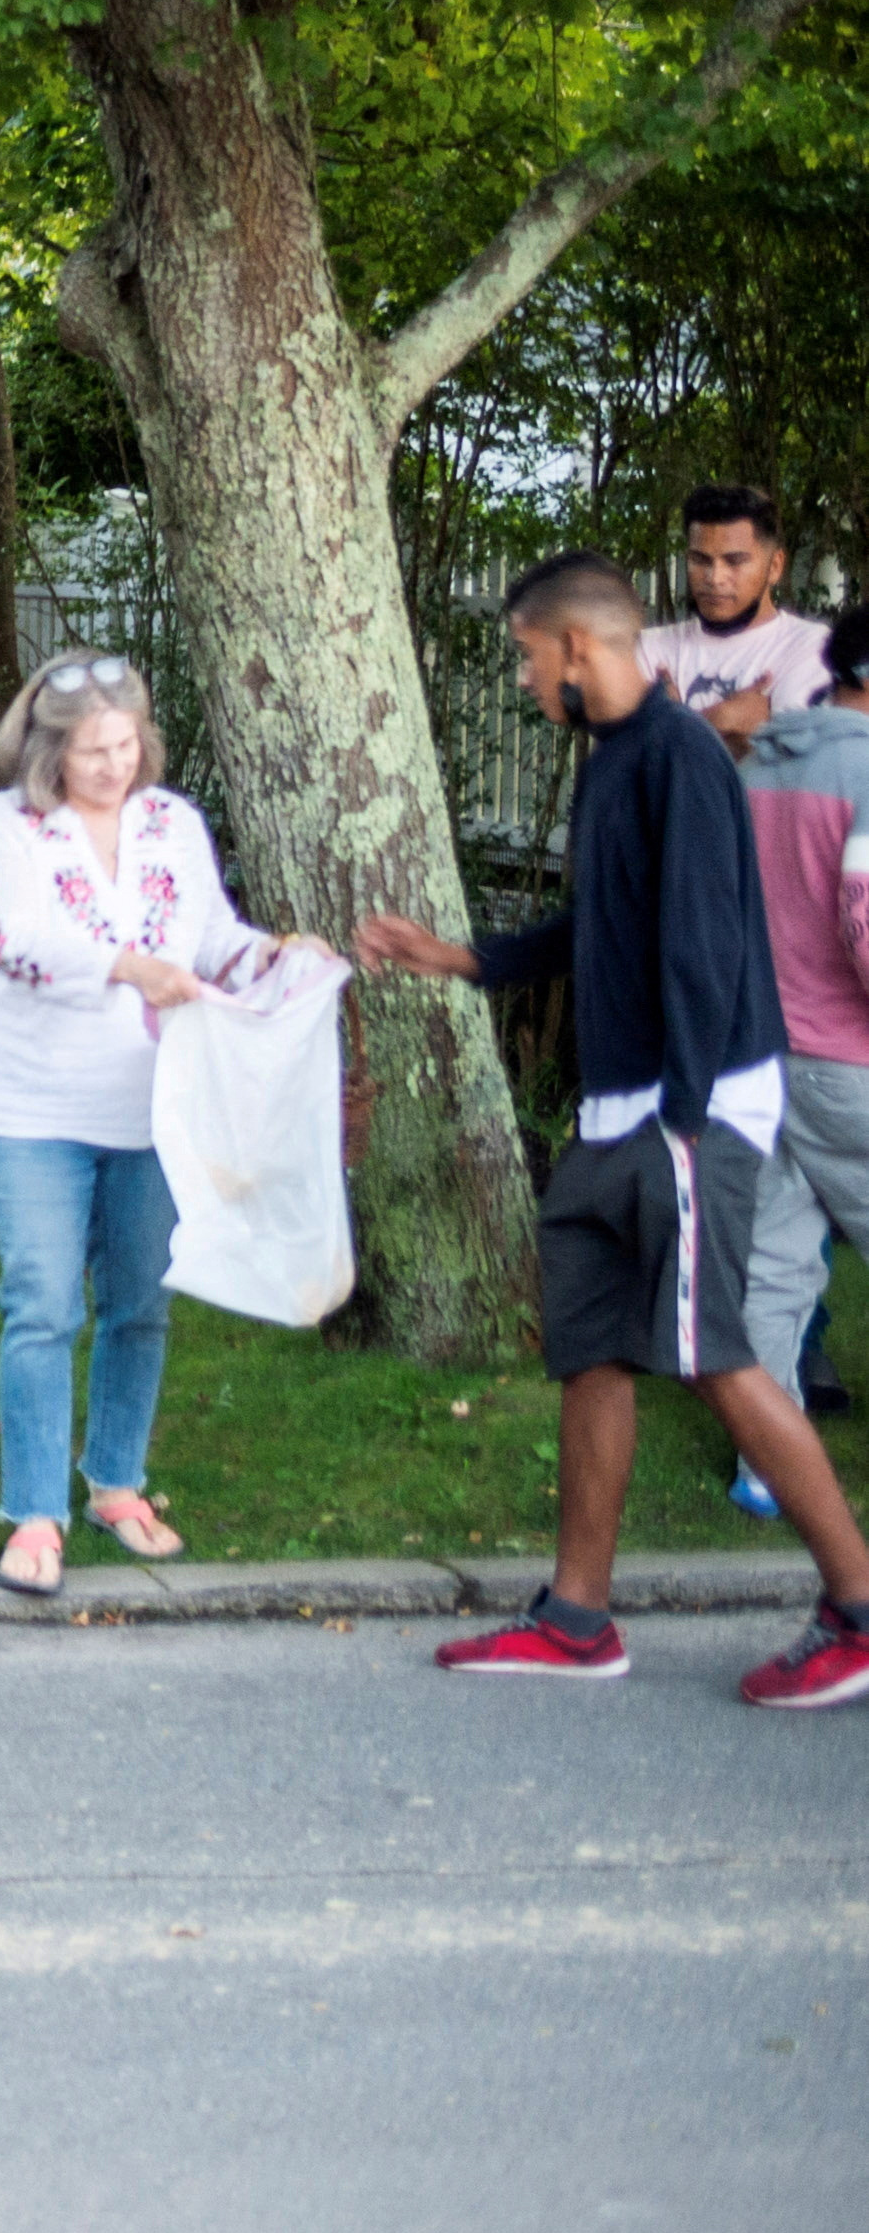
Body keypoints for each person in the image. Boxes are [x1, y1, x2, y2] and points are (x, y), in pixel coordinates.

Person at [358, 554, 869, 1704]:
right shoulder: (612, 760)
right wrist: (465, 958)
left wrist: (683, 1123)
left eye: (526, 655)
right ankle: (576, 1616)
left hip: (683, 1112)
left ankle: (854, 1604)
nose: (527, 677)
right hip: (618, 1110)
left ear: (576, 647)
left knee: (711, 1355)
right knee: (589, 1345)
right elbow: (604, 919)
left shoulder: (680, 759)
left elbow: (702, 946)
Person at [0, 652, 280, 1595]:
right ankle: (33, 1514)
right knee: (43, 1303)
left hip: (153, 1106)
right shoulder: (5, 825)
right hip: (29, 1106)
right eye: (92, 751)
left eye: (126, 744)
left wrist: (269, 957)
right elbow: (13, 941)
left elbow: (211, 936)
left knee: (139, 1301)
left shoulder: (171, 823)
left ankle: (116, 1482)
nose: (113, 766)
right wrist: (127, 966)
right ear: (47, 750)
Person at [730, 605, 869, 1481]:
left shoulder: (758, 768)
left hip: (761, 1058)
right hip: (849, 1065)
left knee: (774, 1266)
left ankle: (763, 1470)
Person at [651, 483, 834, 744]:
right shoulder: (651, 648)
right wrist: (725, 719)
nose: (714, 578)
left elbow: (788, 767)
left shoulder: (812, 647)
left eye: (734, 561)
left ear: (775, 566)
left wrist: (668, 727)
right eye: (700, 560)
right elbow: (628, 764)